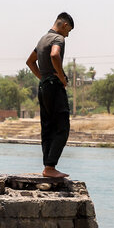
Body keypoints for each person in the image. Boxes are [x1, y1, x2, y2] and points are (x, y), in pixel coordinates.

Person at [26, 11, 74, 179]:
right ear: (64, 25)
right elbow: (54, 55)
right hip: (54, 87)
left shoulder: (42, 39)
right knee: (62, 127)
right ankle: (51, 167)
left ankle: (48, 167)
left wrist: (43, 78)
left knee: (47, 128)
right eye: (68, 32)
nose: (67, 36)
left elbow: (30, 61)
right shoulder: (58, 39)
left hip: (44, 87)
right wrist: (61, 77)